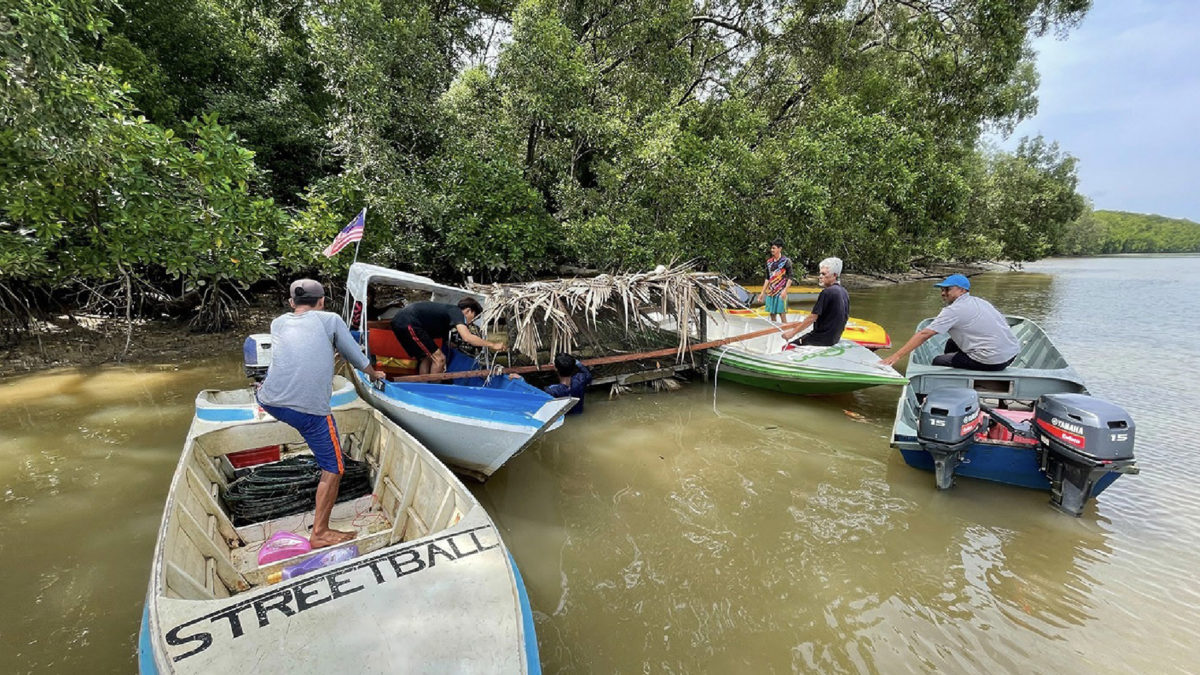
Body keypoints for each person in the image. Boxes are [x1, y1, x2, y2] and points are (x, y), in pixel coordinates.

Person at [256, 279, 386, 549]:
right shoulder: (331, 320)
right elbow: (359, 360)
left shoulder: (278, 322)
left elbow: (300, 350)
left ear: (292, 303)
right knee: (335, 467)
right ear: (322, 302)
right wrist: (376, 373)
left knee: (296, 412)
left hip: (268, 400)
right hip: (308, 412)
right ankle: (320, 532)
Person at [879, 274, 1020, 371]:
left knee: (939, 361)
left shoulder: (954, 310)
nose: (943, 293)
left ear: (962, 290)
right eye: (942, 289)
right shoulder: (980, 301)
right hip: (1011, 355)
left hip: (992, 361)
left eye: (948, 289)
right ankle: (959, 371)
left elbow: (924, 334)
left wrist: (895, 356)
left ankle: (944, 386)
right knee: (951, 343)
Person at [389, 298, 505, 375]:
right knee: (440, 358)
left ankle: (423, 386)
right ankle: (435, 389)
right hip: (409, 322)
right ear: (468, 311)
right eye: (474, 318)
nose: (471, 322)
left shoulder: (447, 316)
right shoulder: (456, 312)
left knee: (427, 357)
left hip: (401, 321)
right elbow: (467, 337)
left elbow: (449, 341)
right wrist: (493, 344)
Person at [780, 257, 850, 347]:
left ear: (835, 275)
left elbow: (812, 317)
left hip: (821, 338)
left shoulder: (827, 292)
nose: (820, 276)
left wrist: (792, 333)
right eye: (820, 273)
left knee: (788, 346)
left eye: (824, 274)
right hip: (835, 338)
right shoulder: (844, 291)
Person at [756, 239, 792, 322]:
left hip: (781, 291)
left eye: (774, 248)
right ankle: (775, 332)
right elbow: (767, 278)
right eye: (771, 248)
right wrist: (762, 293)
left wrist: (785, 291)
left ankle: (786, 332)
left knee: (782, 313)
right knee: (772, 314)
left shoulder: (786, 261)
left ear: (780, 249)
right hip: (771, 291)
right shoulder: (769, 262)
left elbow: (790, 277)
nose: (772, 250)